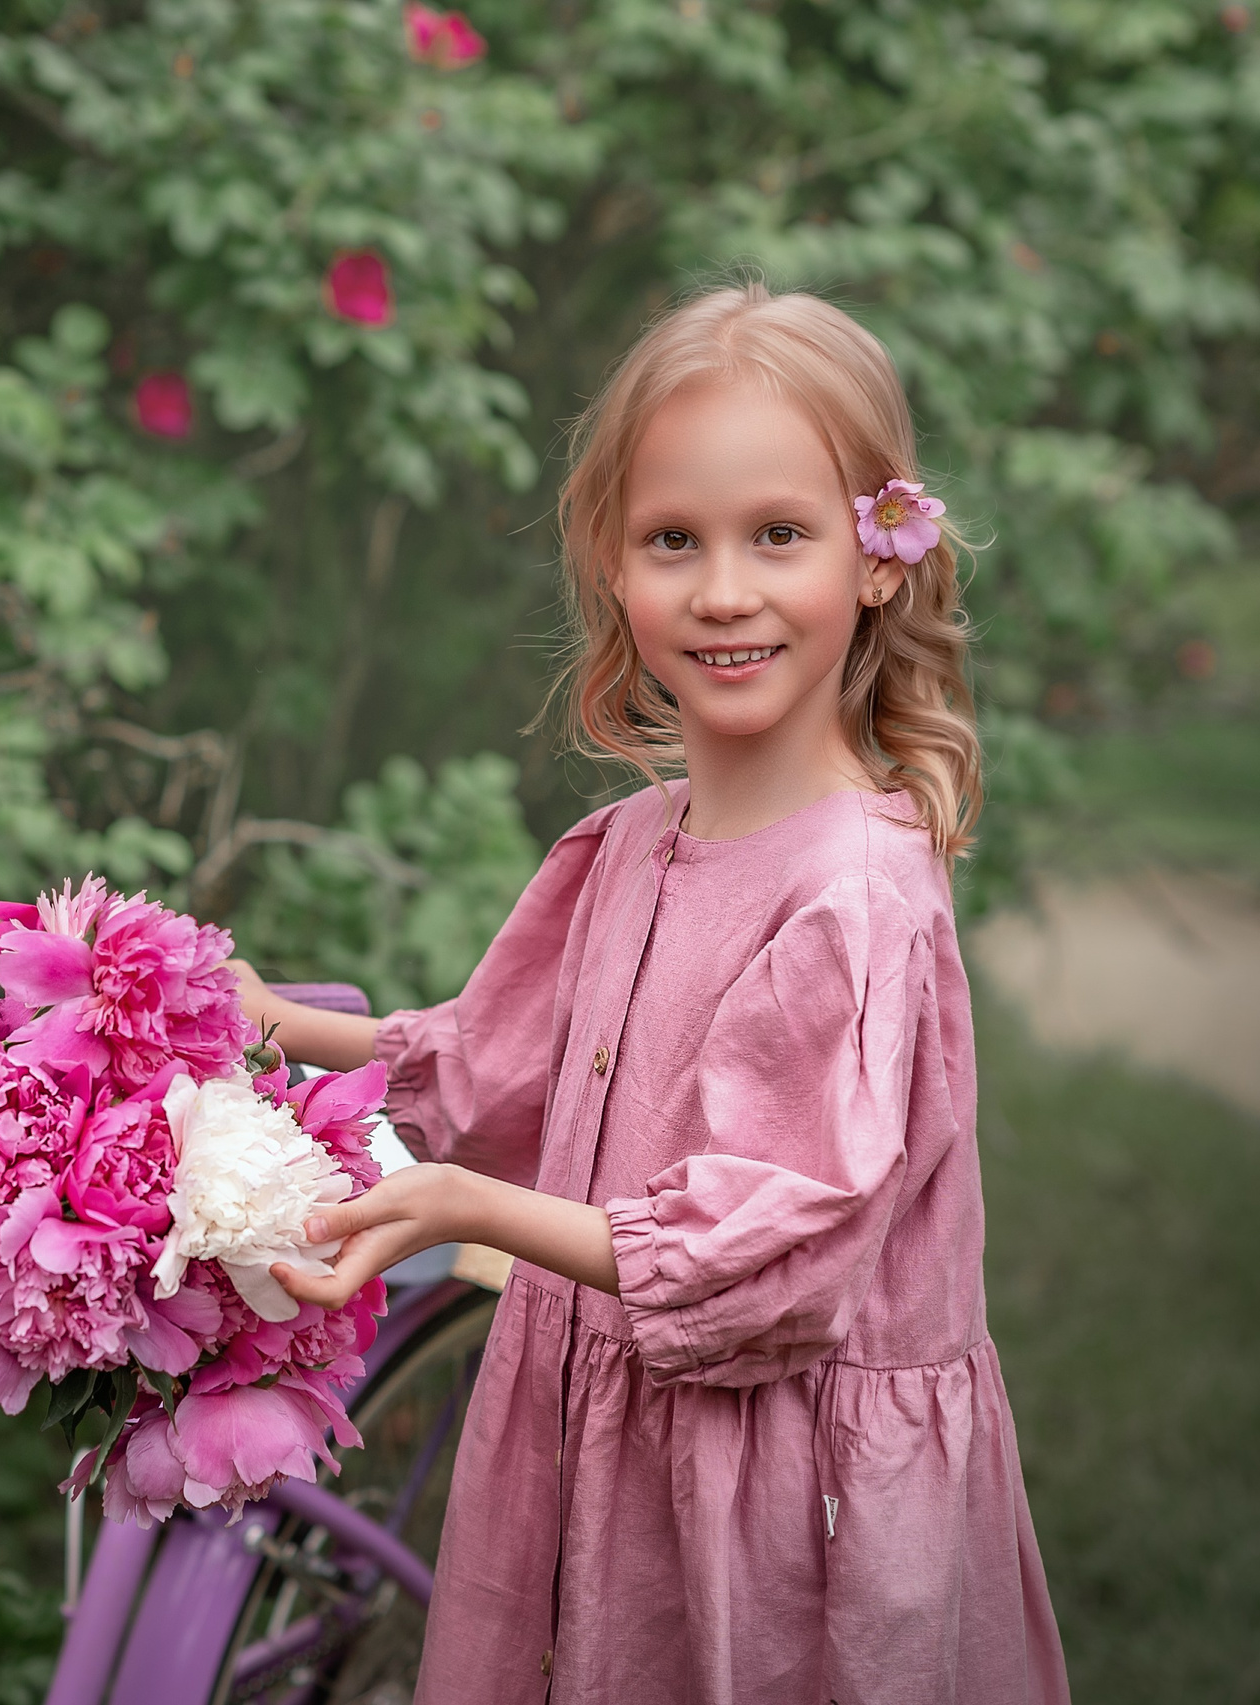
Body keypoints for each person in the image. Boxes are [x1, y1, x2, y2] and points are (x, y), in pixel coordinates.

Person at [233, 283, 1072, 1704]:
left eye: (779, 536)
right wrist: (281, 1020)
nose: (725, 589)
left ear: (877, 559)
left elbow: (778, 1253)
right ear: (610, 564)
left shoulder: (856, 897)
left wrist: (474, 1213)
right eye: (674, 539)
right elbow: (512, 1062)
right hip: (592, 1438)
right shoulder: (628, 844)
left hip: (774, 1496)